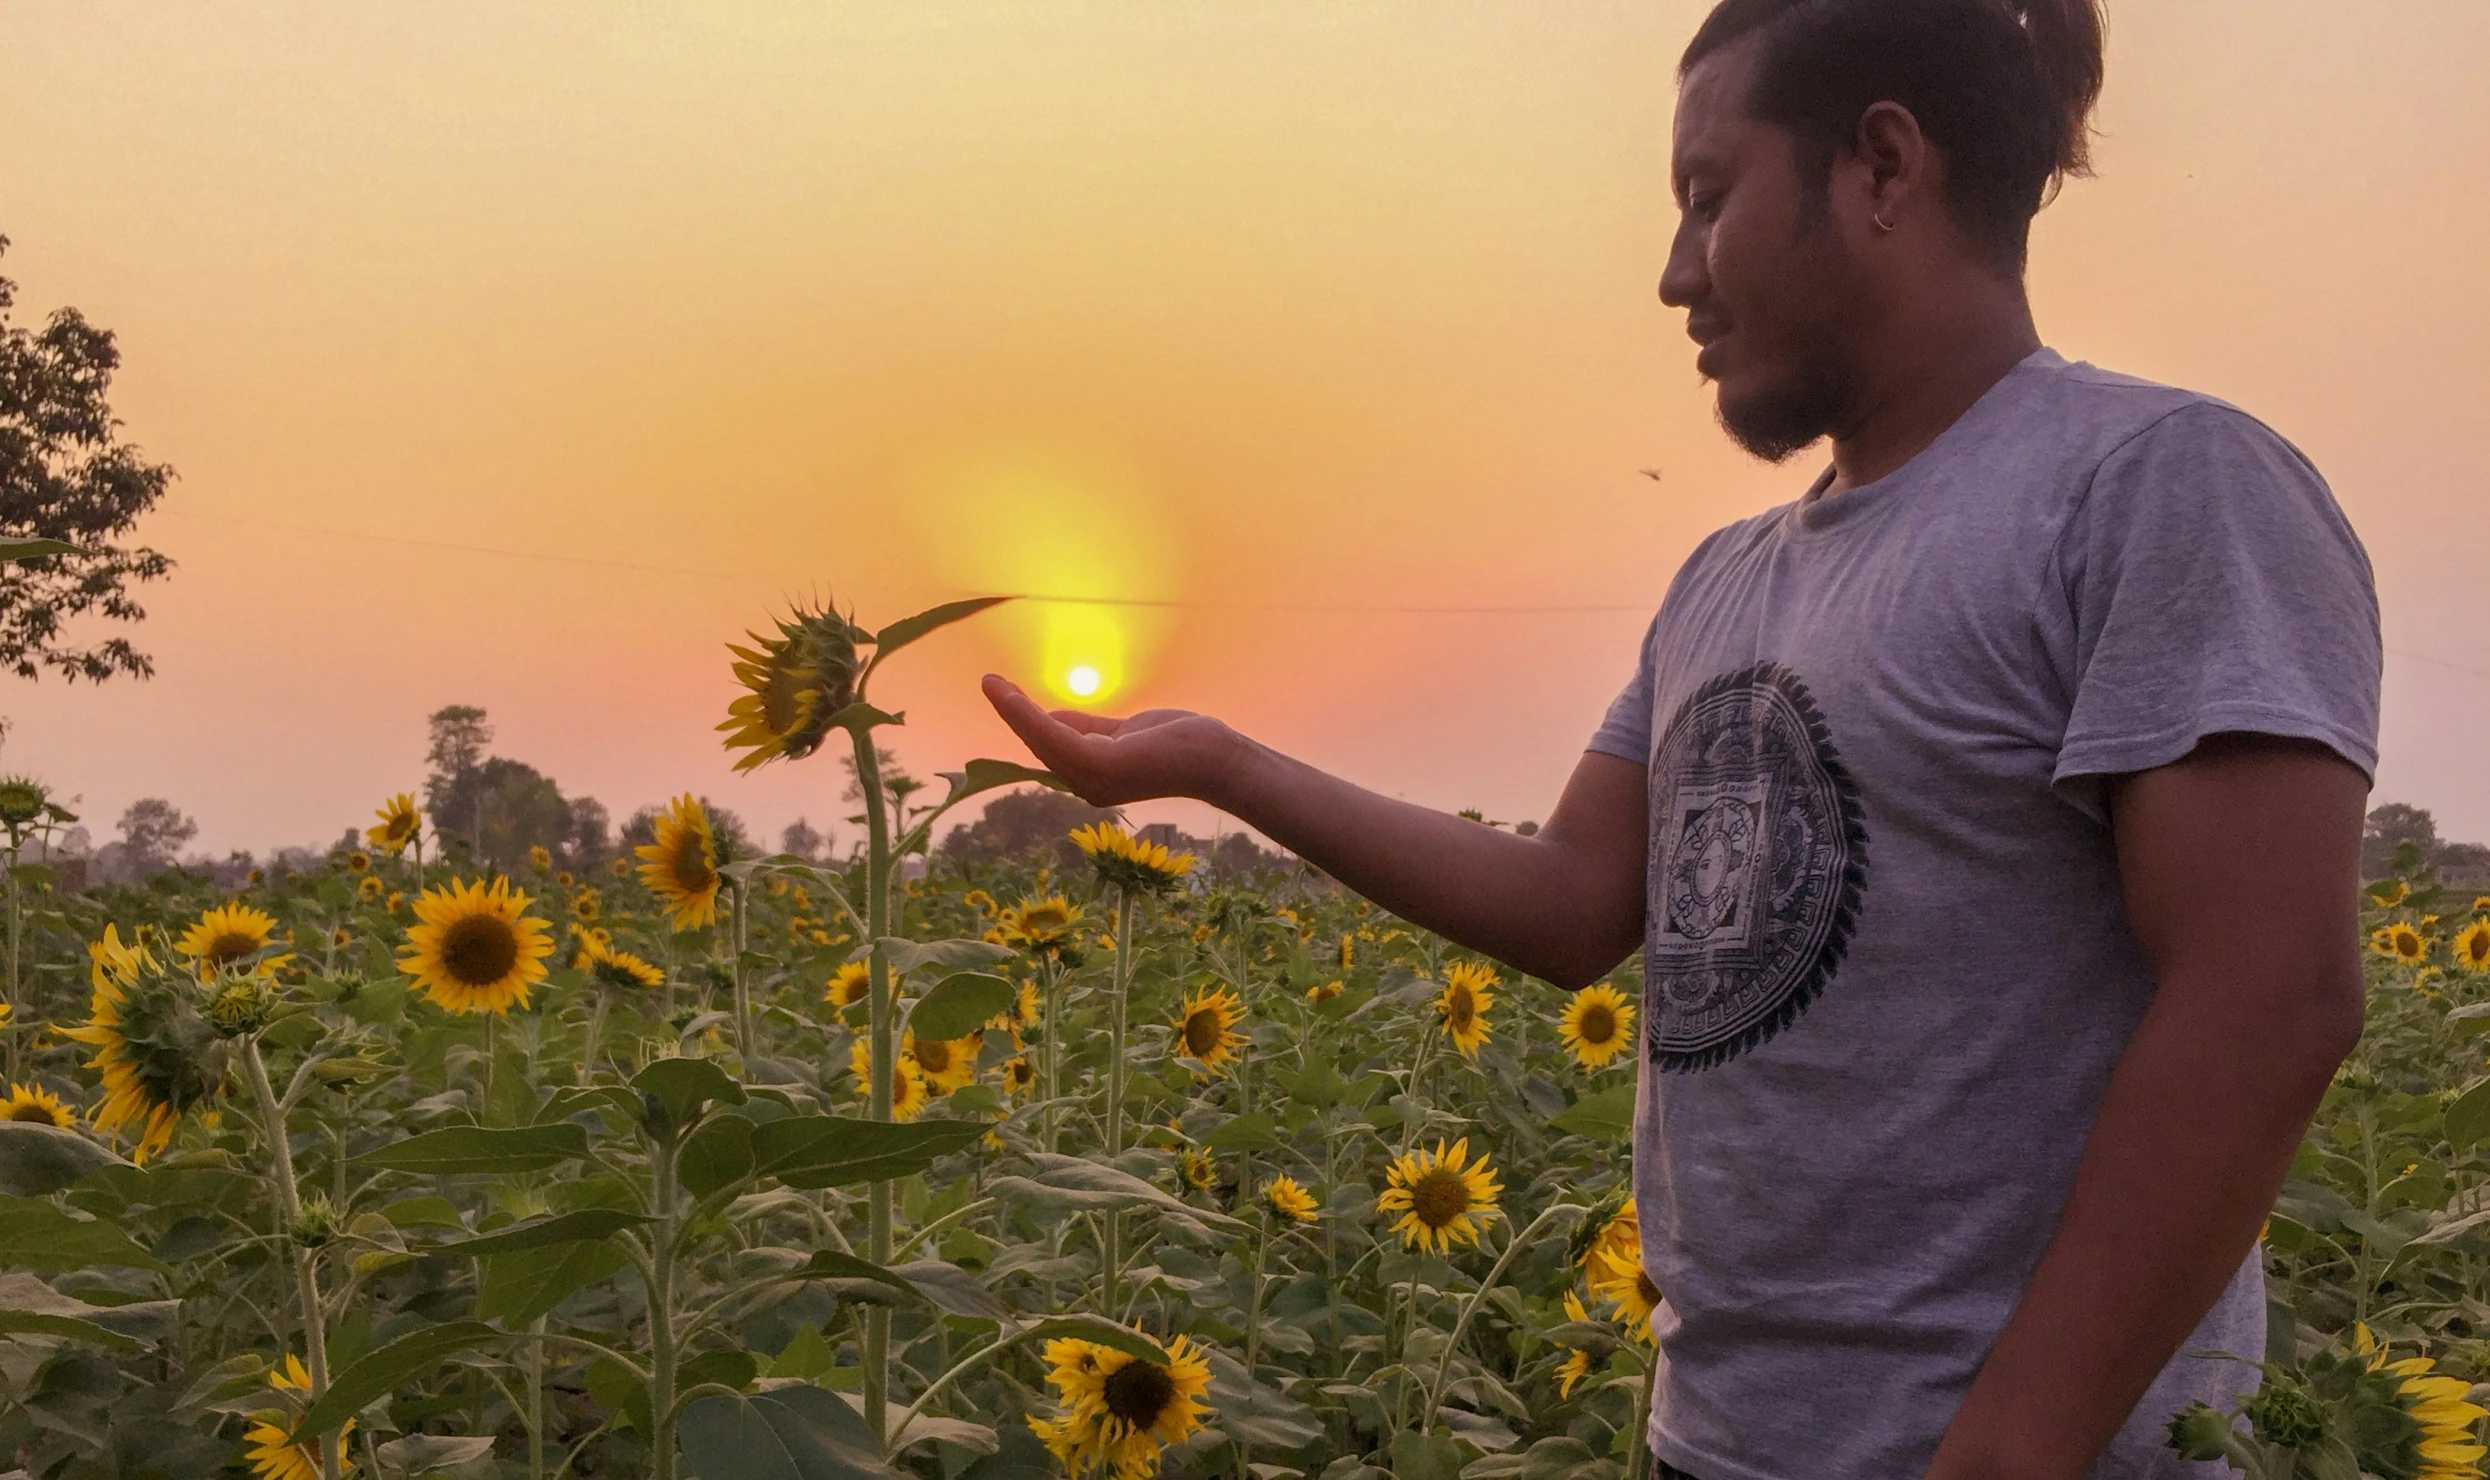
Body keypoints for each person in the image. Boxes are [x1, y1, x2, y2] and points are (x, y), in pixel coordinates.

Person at [981, 0, 2381, 1473]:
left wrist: (2005, 1455)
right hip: (1718, 1439)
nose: (1672, 275)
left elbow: (2265, 998)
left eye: (1708, 198)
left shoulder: (2152, 487)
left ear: (1882, 168)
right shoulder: (1725, 580)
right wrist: (1223, 765)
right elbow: (1578, 898)